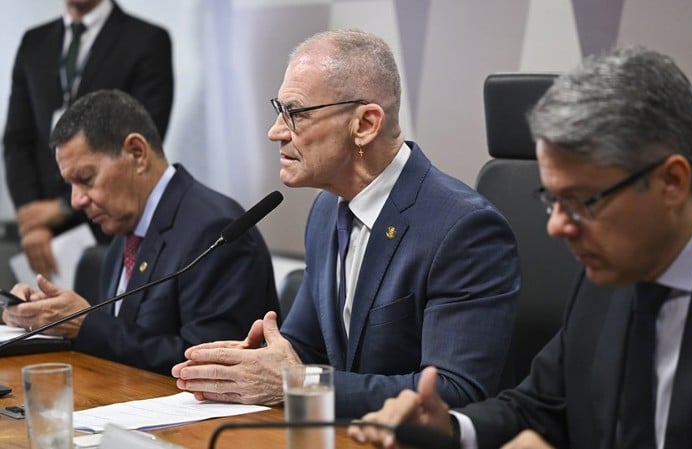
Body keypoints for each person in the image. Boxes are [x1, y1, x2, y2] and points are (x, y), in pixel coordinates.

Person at [349, 46, 692, 449]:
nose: (559, 227)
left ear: (672, 182)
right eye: (552, 200)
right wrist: (450, 428)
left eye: (582, 201)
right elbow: (539, 408)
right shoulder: (608, 276)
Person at [171, 29, 520, 418]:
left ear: (365, 124)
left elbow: (456, 391)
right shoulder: (325, 210)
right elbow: (307, 348)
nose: (276, 131)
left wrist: (296, 382)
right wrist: (256, 363)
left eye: (296, 113)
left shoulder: (464, 230)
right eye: (278, 110)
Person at [2, 90, 279, 376]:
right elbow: (123, 339)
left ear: (137, 153)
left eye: (85, 179)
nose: (75, 201)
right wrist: (42, 314)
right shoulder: (125, 230)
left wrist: (85, 324)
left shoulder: (215, 230)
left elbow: (210, 364)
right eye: (69, 185)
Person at [3, 0, 173, 278]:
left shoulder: (146, 40)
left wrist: (61, 207)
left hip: (111, 230)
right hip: (41, 235)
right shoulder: (34, 42)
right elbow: (16, 140)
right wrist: (31, 218)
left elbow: (143, 140)